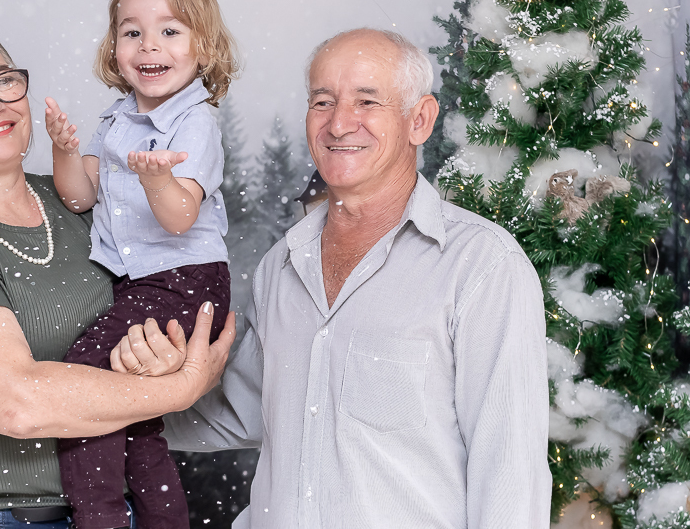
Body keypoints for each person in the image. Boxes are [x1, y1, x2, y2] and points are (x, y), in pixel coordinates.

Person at [161, 28, 551, 528]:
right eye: (322, 102)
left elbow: (510, 479)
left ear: (420, 120)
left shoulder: (481, 266)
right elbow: (242, 411)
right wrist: (111, 400)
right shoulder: (282, 265)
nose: (340, 123)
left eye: (367, 101)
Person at [0, 18, 235, 529]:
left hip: (127, 509)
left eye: (3, 80)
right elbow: (19, 403)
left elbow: (155, 308)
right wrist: (182, 386)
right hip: (12, 519)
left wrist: (161, 356)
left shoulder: (82, 203)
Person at [43, 0, 236, 529]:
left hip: (186, 279)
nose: (150, 45)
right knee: (135, 412)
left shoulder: (196, 121)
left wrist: (157, 180)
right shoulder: (117, 119)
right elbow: (80, 196)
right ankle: (163, 520)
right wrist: (63, 151)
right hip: (141, 283)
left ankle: (97, 516)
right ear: (115, 47)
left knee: (86, 379)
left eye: (171, 31)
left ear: (204, 48)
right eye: (132, 32)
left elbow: (180, 217)